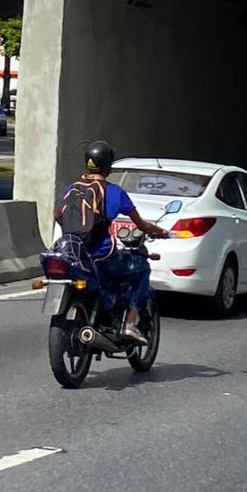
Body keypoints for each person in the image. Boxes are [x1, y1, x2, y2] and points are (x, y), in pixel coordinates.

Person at [55, 140, 168, 344]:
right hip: (102, 258)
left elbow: (59, 215)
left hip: (74, 255)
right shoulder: (114, 192)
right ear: (108, 166)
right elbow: (141, 225)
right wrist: (159, 231)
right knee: (140, 267)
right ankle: (130, 324)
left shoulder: (72, 188)